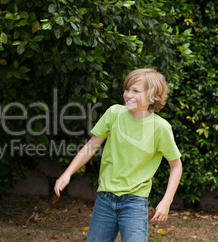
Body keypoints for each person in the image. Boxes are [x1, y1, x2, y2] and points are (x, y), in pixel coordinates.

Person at [54, 68, 182, 241]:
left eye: (136, 91)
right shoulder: (114, 113)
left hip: (134, 203)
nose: (128, 95)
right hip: (105, 199)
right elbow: (91, 145)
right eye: (127, 89)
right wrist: (67, 173)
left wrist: (166, 201)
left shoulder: (160, 128)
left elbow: (176, 165)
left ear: (152, 96)